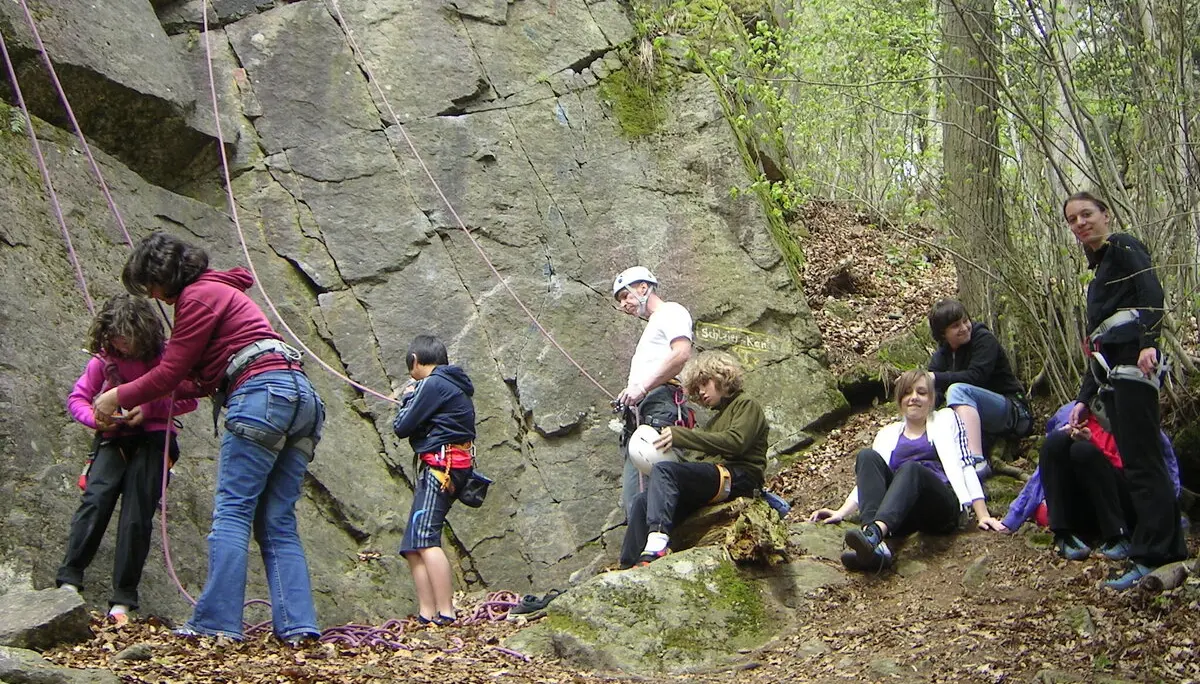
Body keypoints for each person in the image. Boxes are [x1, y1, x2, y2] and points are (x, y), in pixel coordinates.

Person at [92, 232, 325, 643]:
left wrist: (116, 394)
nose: (154, 295)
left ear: (164, 275)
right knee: (277, 521)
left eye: (151, 284)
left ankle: (215, 623)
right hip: (299, 397)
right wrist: (148, 406)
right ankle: (299, 626)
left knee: (233, 513)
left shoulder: (197, 297)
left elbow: (170, 373)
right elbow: (199, 380)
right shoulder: (221, 293)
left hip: (260, 394)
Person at [1061, 191, 1187, 589]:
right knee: (1136, 462)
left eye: (1087, 214)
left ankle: (1154, 554)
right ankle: (1160, 544)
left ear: (1105, 215)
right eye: (1072, 219)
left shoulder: (1125, 246)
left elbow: (1151, 293)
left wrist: (1150, 341)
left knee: (1144, 462)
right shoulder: (1097, 270)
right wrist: (1083, 399)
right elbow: (1097, 343)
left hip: (1136, 368)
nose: (1080, 223)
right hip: (1111, 375)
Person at [56, 294, 198, 626]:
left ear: (145, 332)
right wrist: (95, 418)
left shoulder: (165, 360)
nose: (122, 343)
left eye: (127, 336)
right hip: (113, 439)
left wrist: (148, 408)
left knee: (137, 514)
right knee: (95, 499)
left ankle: (123, 599)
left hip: (154, 438)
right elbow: (77, 398)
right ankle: (69, 578)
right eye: (116, 337)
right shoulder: (104, 362)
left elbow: (188, 401)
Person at [809, 369, 1002, 571]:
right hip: (903, 512)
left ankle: (875, 534)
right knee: (866, 456)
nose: (914, 398)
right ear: (900, 400)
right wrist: (841, 511)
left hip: (940, 506)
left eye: (921, 392)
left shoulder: (947, 420)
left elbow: (965, 464)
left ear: (931, 399)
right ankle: (874, 544)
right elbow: (870, 482)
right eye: (907, 393)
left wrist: (983, 515)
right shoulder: (887, 434)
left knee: (912, 469)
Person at [619, 351, 768, 568]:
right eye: (697, 389)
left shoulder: (746, 404)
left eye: (704, 383)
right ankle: (628, 564)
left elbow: (736, 442)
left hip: (740, 477)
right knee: (643, 500)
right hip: (716, 478)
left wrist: (681, 436)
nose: (701, 392)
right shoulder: (715, 421)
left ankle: (657, 543)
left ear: (721, 376)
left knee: (666, 471)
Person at [997, 403, 1182, 558]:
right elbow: (1041, 476)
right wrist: (1012, 518)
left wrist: (1170, 519)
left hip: (1122, 508)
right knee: (1056, 441)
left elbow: (1151, 471)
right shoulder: (1075, 415)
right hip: (1084, 509)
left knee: (1084, 451)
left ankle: (1117, 537)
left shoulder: (1132, 413)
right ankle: (1064, 535)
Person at [391, 335, 476, 625]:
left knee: (426, 538)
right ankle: (427, 612)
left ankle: (445, 611)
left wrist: (406, 399)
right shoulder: (449, 383)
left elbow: (402, 426)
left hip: (443, 466)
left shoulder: (433, 384)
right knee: (412, 545)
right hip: (445, 465)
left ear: (414, 360)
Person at [611, 267, 694, 519]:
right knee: (636, 496)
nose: (624, 304)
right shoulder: (653, 326)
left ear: (643, 287)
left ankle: (660, 544)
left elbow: (681, 353)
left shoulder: (671, 312)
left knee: (653, 487)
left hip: (660, 405)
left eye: (625, 296)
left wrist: (643, 386)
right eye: (620, 301)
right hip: (644, 411)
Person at [927, 299, 1031, 478]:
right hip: (981, 424)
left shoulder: (983, 339)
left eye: (965, 321)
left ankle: (976, 460)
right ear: (943, 334)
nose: (965, 328)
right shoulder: (941, 356)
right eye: (955, 326)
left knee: (956, 390)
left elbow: (977, 377)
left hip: (1013, 411)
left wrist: (936, 378)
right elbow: (934, 392)